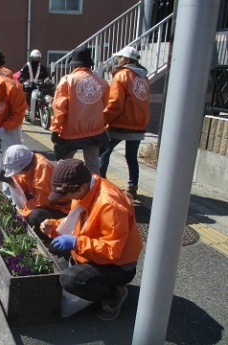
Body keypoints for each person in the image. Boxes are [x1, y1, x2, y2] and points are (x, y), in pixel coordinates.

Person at [40, 158, 143, 321]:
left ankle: (114, 295)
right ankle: (93, 282)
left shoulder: (110, 205)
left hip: (118, 266)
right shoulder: (87, 188)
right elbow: (77, 223)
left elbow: (112, 251)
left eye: (67, 194)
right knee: (51, 247)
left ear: (80, 187)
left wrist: (75, 243)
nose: (65, 199)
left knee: (70, 279)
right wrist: (53, 226)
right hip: (96, 252)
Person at [99, 46, 150, 199]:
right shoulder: (143, 78)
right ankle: (132, 187)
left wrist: (104, 119)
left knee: (103, 152)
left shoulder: (122, 76)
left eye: (120, 58)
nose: (118, 60)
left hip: (120, 123)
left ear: (126, 60)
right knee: (131, 157)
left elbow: (115, 103)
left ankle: (100, 183)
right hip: (139, 124)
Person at [50, 46, 110, 174]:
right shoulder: (102, 83)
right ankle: (95, 191)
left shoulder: (67, 81)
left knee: (64, 165)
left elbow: (60, 109)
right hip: (95, 132)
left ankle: (63, 190)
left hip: (71, 132)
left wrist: (56, 129)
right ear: (90, 64)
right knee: (93, 165)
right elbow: (106, 107)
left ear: (73, 64)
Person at [0, 145, 71, 232]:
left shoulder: (43, 169)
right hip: (49, 203)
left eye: (18, 171)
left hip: (61, 208)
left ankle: (48, 235)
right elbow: (26, 186)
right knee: (28, 206)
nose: (19, 173)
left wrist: (21, 212)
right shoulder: (32, 162)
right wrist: (11, 181)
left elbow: (42, 202)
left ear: (24, 166)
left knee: (36, 215)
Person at [18, 49, 50, 115]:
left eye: (37, 58)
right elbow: (21, 76)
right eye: (34, 58)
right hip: (29, 87)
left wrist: (47, 79)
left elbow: (46, 76)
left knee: (47, 93)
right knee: (27, 95)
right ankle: (28, 108)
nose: (36, 60)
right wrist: (23, 82)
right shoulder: (26, 66)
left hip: (40, 86)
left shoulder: (42, 67)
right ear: (31, 58)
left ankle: (44, 105)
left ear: (39, 58)